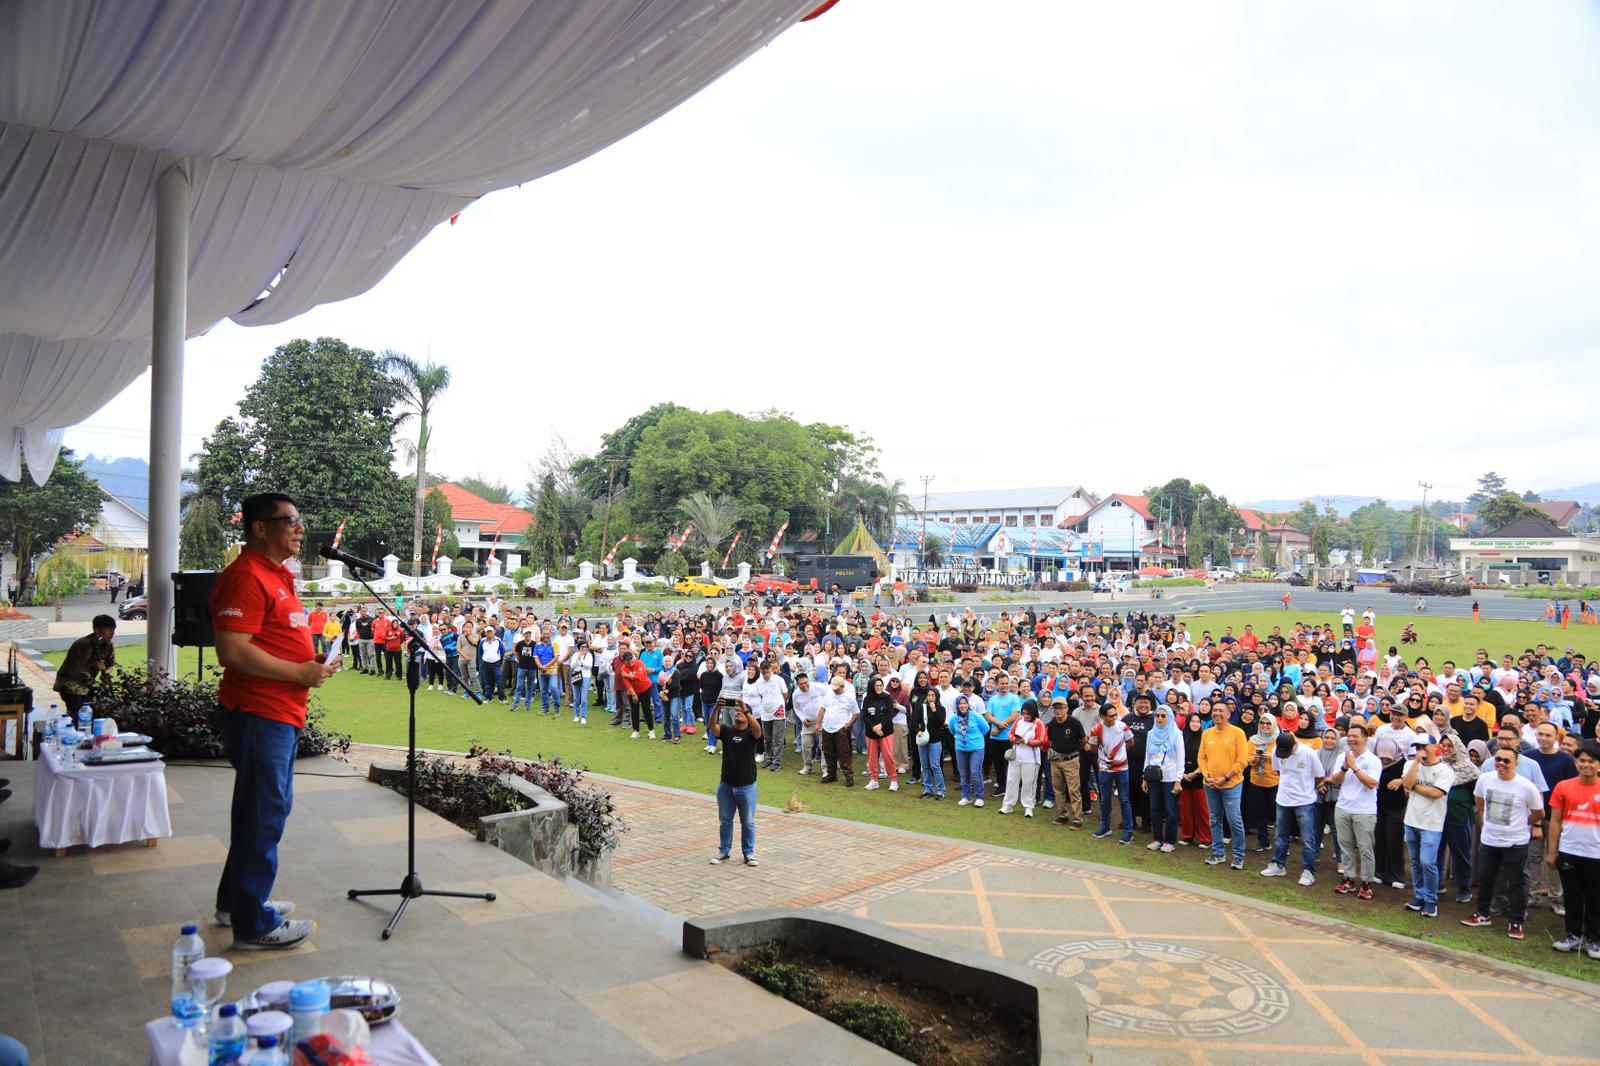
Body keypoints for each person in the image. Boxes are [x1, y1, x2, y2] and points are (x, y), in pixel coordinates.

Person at [209, 493, 331, 950]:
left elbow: (273, 639)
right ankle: (253, 925)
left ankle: (235, 904)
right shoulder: (245, 577)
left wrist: (308, 662)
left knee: (257, 812)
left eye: (300, 520)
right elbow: (233, 651)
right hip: (261, 712)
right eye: (289, 521)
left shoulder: (275, 576)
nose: (300, 528)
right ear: (260, 528)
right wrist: (300, 671)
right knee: (264, 815)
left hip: (279, 711)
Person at [1462, 746, 1544, 941]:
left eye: (1507, 761)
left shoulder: (1525, 786)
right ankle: (1483, 914)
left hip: (1515, 842)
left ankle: (1516, 921)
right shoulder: (1485, 779)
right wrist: (1486, 817)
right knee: (1486, 878)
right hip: (1489, 839)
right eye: (1498, 759)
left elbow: (1538, 812)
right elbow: (1479, 800)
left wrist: (1526, 823)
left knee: (1516, 882)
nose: (1501, 763)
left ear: (1516, 764)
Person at [1545, 740, 1600, 957]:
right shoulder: (1563, 787)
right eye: (1582, 760)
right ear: (1576, 762)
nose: (1586, 765)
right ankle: (1573, 935)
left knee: (1595, 898)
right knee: (1572, 896)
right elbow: (1556, 821)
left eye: (1591, 761)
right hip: (1569, 850)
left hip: (1596, 853)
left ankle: (1593, 940)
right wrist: (1552, 851)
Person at [1398, 734, 1454, 918]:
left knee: (1427, 862)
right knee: (1415, 862)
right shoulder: (1411, 765)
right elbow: (1406, 785)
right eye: (1418, 746)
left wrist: (1414, 787)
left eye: (1424, 746)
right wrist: (1416, 763)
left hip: (1432, 823)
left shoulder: (1445, 770)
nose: (1421, 750)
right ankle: (1419, 895)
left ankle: (1431, 900)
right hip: (1412, 820)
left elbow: (1436, 793)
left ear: (1434, 746)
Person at [1262, 730, 1327, 885]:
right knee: (1281, 835)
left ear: (1294, 744)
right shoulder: (1278, 752)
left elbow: (1320, 775)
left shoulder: (1309, 753)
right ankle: (1278, 864)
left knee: (1308, 838)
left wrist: (1309, 786)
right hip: (1283, 799)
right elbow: (1277, 770)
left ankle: (1308, 870)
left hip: (1305, 801)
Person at [1330, 722, 1382, 898]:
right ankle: (1348, 878)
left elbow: (1372, 784)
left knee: (1366, 848)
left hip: (1364, 810)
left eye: (1355, 736)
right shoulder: (1342, 757)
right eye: (1349, 736)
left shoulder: (1373, 760)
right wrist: (1345, 767)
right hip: (1343, 807)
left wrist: (1355, 767)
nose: (1351, 739)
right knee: (1345, 846)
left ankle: (1367, 882)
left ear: (1365, 739)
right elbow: (1335, 780)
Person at [709, 699, 761, 867]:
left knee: (747, 822)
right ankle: (724, 851)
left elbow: (758, 731)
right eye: (737, 710)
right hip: (726, 786)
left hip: (746, 786)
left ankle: (749, 853)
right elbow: (713, 728)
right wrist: (716, 709)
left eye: (741, 711)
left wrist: (746, 711)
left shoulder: (751, 734)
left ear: (748, 714)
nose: (738, 712)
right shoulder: (727, 730)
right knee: (725, 820)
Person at [1200, 700, 1250, 870]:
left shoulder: (1238, 733)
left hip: (1232, 784)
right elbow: (1202, 757)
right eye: (1215, 710)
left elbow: (1242, 761)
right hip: (1210, 784)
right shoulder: (1207, 733)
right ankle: (1218, 853)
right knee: (1214, 819)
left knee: (1234, 820)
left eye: (1221, 710)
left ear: (1229, 714)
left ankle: (1238, 856)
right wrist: (1207, 776)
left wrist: (1226, 778)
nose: (1217, 714)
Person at [1088, 704, 1134, 844]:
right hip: (1105, 770)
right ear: (1102, 717)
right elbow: (1093, 748)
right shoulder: (1096, 730)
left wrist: (1120, 755)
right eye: (1111, 715)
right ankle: (1105, 827)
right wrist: (1105, 760)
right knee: (1105, 799)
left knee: (1124, 799)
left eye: (1115, 714)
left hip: (1122, 769)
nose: (1115, 717)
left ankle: (1128, 831)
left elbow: (1131, 743)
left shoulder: (1123, 726)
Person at [53, 614, 116, 713]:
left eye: (113, 630)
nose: (112, 633)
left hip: (87, 685)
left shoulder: (108, 645)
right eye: (109, 630)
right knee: (78, 713)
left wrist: (106, 673)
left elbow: (110, 664)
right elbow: (75, 670)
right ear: (97, 630)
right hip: (70, 685)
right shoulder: (83, 644)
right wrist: (96, 665)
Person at [1142, 702, 1183, 851]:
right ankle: (1157, 838)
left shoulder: (1176, 735)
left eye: (1163, 716)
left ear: (1169, 717)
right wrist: (1144, 777)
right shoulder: (1151, 734)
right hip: (1154, 777)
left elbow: (1180, 758)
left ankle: (1170, 841)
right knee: (1154, 808)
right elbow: (1148, 756)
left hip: (1170, 778)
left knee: (1171, 810)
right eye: (1157, 716)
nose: (1159, 718)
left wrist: (1178, 780)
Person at [1045, 696, 1086, 828]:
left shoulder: (1074, 723)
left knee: (1074, 790)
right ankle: (1062, 814)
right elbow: (1050, 739)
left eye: (1060, 708)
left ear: (1066, 709)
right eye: (1055, 708)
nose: (1057, 711)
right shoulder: (1052, 724)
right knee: (1058, 789)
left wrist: (1075, 752)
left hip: (1071, 760)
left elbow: (1083, 739)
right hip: (1056, 760)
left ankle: (1078, 818)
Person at [1002, 699, 1047, 817]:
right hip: (1016, 757)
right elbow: (1010, 733)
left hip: (1031, 759)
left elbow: (1040, 740)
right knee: (1011, 780)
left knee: (1029, 783)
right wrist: (1014, 739)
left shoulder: (1039, 724)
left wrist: (1025, 741)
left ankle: (1028, 807)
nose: (1026, 716)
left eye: (1028, 714)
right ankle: (1008, 804)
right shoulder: (1019, 721)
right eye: (1024, 713)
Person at [819, 676, 859, 787]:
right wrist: (818, 723)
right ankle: (831, 774)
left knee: (844, 753)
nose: (835, 690)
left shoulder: (849, 697)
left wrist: (848, 724)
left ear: (842, 686)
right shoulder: (829, 694)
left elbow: (856, 713)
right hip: (827, 727)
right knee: (828, 752)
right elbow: (823, 708)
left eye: (837, 688)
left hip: (840, 729)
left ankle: (849, 776)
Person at [950, 694, 988, 806]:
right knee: (964, 773)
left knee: (975, 772)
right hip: (961, 748)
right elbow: (952, 730)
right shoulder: (953, 718)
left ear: (968, 704)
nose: (963, 705)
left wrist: (975, 738)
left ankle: (979, 797)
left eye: (965, 703)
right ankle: (966, 797)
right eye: (960, 704)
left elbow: (986, 728)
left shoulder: (975, 715)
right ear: (957, 705)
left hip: (977, 748)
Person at [914, 686, 947, 800]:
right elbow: (914, 721)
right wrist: (918, 730)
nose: (930, 697)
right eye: (929, 695)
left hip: (935, 741)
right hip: (923, 740)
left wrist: (934, 710)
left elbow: (940, 723)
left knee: (935, 765)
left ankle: (941, 790)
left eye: (933, 695)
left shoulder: (941, 709)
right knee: (925, 765)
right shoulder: (921, 707)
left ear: (937, 696)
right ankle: (928, 789)